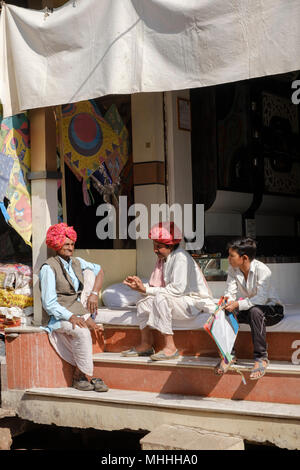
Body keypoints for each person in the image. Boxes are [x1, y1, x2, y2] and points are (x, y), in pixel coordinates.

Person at [122, 222, 216, 361]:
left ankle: (170, 347)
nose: (154, 250)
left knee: (161, 298)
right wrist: (140, 287)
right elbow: (156, 286)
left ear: (170, 246)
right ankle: (146, 344)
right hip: (179, 302)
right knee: (142, 300)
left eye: (158, 247)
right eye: (154, 246)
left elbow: (176, 290)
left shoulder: (181, 259)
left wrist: (146, 289)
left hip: (192, 303)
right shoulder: (164, 259)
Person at [39, 222, 109, 392]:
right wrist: (71, 317)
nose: (70, 248)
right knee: (82, 332)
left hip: (76, 308)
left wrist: (94, 293)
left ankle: (83, 374)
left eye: (72, 244)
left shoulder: (76, 262)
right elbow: (49, 303)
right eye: (66, 244)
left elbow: (99, 271)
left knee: (90, 272)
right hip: (57, 316)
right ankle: (81, 376)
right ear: (57, 245)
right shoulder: (49, 268)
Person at [215, 237, 284, 380]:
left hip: (272, 310)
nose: (228, 258)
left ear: (244, 258)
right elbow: (230, 291)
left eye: (231, 255)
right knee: (225, 311)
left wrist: (238, 304)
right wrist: (227, 301)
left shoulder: (263, 270)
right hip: (252, 308)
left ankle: (261, 358)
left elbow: (261, 299)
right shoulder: (233, 269)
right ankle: (229, 355)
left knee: (255, 311)